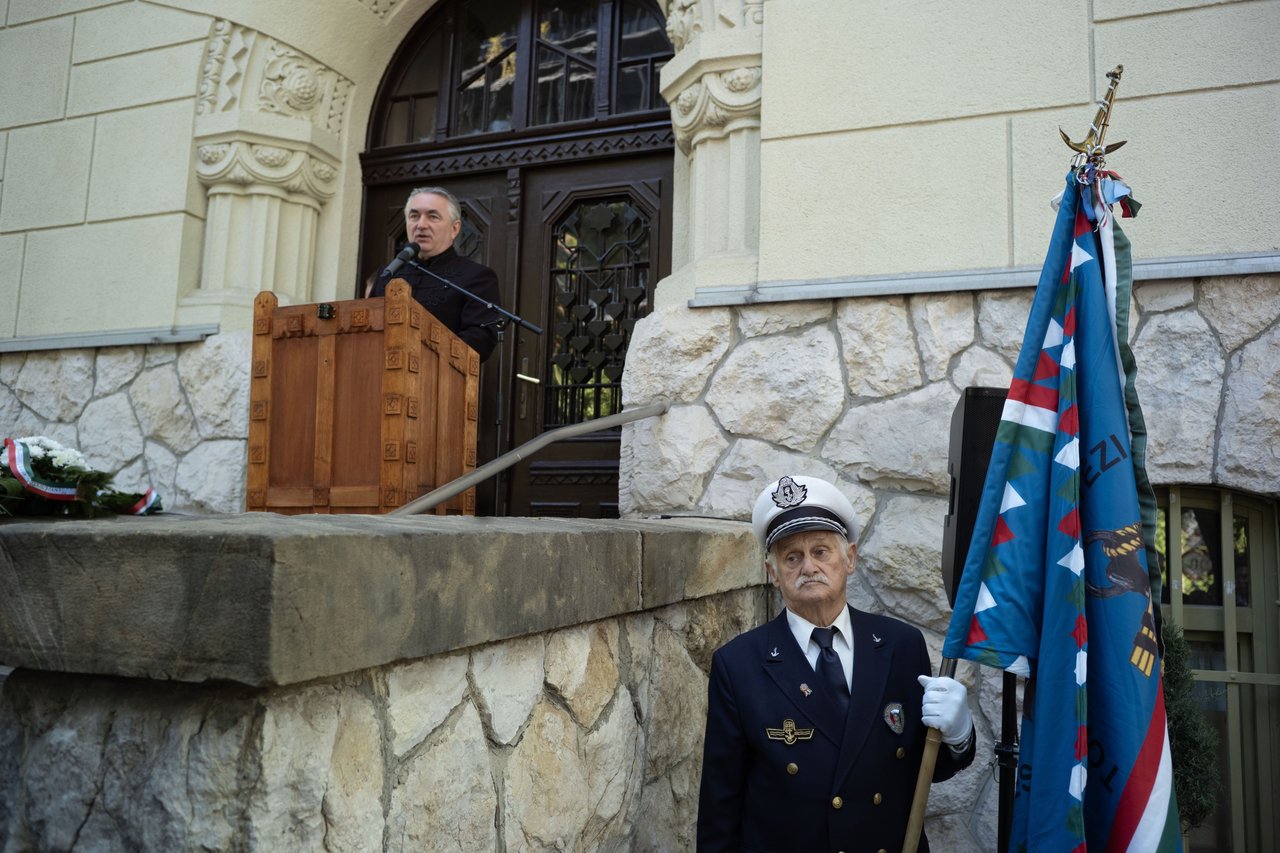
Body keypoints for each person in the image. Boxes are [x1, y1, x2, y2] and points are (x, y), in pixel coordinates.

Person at [697, 474, 976, 853]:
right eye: (792, 557)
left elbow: (926, 769)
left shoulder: (901, 646)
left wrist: (959, 736)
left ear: (850, 559)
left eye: (821, 551)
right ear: (773, 573)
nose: (808, 567)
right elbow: (720, 806)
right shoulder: (738, 665)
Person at [369, 187, 502, 361]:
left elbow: (480, 340)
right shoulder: (387, 274)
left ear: (454, 228)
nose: (421, 225)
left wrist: (420, 357)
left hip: (441, 375)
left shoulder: (477, 277)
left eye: (433, 216)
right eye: (414, 216)